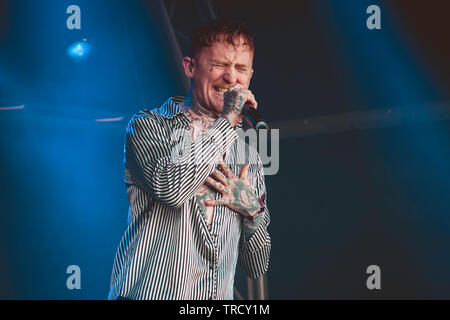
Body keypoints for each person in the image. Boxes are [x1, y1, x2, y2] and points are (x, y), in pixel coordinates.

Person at [108, 18, 271, 300]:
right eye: (220, 65)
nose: (231, 78)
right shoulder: (149, 126)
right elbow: (171, 189)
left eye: (241, 68)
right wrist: (229, 119)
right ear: (190, 67)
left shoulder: (248, 155)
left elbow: (256, 265)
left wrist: (252, 213)